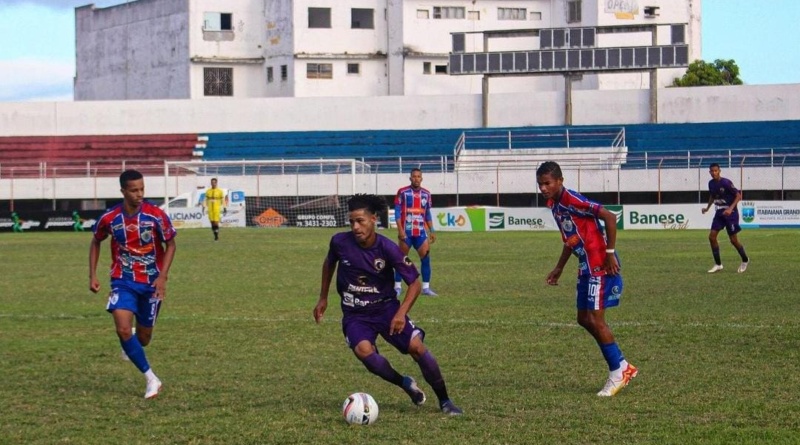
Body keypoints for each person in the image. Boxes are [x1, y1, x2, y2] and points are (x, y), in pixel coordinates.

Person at [314, 194, 462, 415]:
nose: (355, 226)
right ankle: (404, 383)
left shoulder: (388, 248)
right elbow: (329, 262)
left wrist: (401, 314)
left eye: (360, 221)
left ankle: (445, 401)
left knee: (416, 348)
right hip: (355, 314)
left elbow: (414, 284)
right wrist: (323, 297)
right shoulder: (339, 242)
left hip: (386, 309)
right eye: (351, 221)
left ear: (374, 219)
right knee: (365, 353)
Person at [536, 161, 638, 397]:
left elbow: (610, 218)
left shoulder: (572, 199)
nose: (543, 188)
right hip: (585, 265)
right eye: (540, 184)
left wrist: (610, 254)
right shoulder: (554, 204)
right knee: (583, 318)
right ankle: (623, 366)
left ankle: (618, 371)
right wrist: (559, 267)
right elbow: (570, 239)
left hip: (600, 264)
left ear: (560, 181)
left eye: (547, 183)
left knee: (595, 318)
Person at [89, 169, 177, 399]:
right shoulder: (110, 218)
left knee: (144, 339)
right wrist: (92, 275)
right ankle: (151, 378)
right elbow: (96, 241)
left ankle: (134, 342)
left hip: (151, 283)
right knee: (122, 328)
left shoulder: (155, 215)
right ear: (123, 191)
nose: (139, 194)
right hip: (123, 280)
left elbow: (172, 245)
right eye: (134, 190)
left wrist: (163, 276)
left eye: (142, 189)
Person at [394, 168, 438, 296]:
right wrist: (400, 230)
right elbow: (397, 212)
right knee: (400, 259)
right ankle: (397, 287)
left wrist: (432, 230)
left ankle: (426, 288)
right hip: (406, 233)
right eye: (414, 176)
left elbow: (427, 213)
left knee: (426, 258)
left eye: (419, 176)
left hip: (420, 233)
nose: (416, 179)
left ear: (422, 178)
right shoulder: (402, 192)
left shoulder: (427, 194)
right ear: (410, 178)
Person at [701, 163, 749, 273]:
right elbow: (712, 196)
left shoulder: (726, 182)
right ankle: (718, 264)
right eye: (712, 171)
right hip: (719, 213)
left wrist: (730, 209)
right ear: (709, 172)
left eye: (715, 171)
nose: (714, 173)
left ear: (719, 171)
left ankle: (745, 260)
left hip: (730, 214)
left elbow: (738, 196)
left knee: (733, 240)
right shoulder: (711, 183)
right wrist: (707, 208)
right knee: (712, 237)